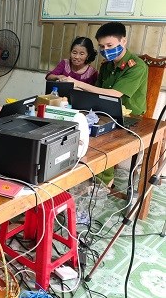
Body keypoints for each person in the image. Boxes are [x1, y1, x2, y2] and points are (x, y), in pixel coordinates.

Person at [61, 22, 148, 187]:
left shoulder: (136, 67)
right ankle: (82, 174)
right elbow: (98, 92)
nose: (105, 50)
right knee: (75, 126)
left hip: (130, 118)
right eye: (102, 46)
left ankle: (105, 182)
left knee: (100, 139)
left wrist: (77, 83)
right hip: (106, 112)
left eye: (110, 45)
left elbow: (115, 94)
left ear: (123, 41)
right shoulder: (107, 66)